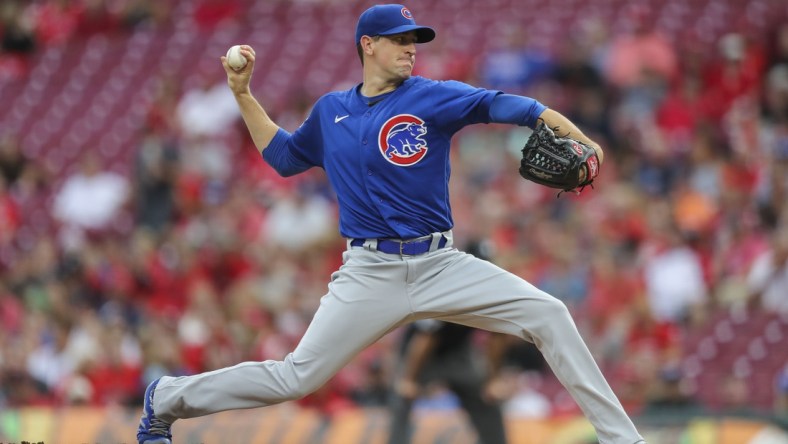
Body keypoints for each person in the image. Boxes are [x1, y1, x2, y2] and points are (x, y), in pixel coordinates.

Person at [137, 5, 645, 444]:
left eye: (415, 41)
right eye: (400, 41)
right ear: (368, 45)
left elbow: (514, 106)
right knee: (295, 378)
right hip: (369, 272)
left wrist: (585, 140)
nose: (411, 49)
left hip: (440, 264)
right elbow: (286, 157)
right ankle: (167, 397)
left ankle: (621, 438)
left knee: (549, 314)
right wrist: (244, 95)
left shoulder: (430, 96)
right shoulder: (331, 111)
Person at [387, 243, 510, 444]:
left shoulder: (489, 291)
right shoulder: (446, 286)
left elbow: (499, 334)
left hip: (457, 353)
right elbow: (426, 338)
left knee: (485, 397)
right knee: (402, 397)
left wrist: (493, 379)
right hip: (420, 356)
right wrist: (409, 379)